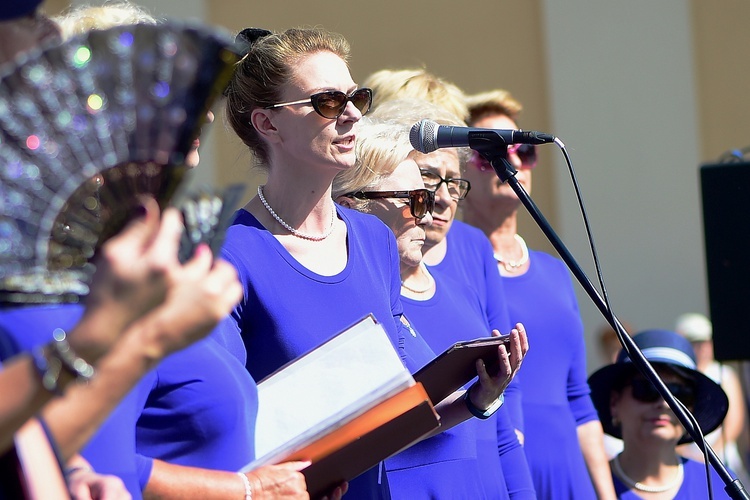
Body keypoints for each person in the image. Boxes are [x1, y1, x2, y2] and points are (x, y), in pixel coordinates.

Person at [218, 26, 526, 499]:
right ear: (267, 124)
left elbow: (383, 426)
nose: (352, 115)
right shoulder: (229, 257)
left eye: (355, 97)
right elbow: (222, 435)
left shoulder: (373, 240)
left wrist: (476, 401)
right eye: (326, 102)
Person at [333, 117, 534, 499]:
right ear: (351, 206)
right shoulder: (339, 298)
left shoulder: (442, 288)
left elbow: (498, 435)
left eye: (424, 199)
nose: (426, 213)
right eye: (412, 201)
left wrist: (480, 399)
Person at [462, 89, 616, 499]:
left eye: (524, 151)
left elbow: (578, 400)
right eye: (489, 152)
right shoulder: (454, 269)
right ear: (459, 169)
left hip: (570, 477)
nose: (512, 161)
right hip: (504, 472)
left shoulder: (553, 270)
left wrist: (605, 493)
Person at [588, 329, 730, 498]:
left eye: (678, 393)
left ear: (691, 407)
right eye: (647, 388)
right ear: (614, 403)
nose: (664, 404)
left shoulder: (721, 484)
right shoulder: (583, 486)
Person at [674, 313, 749, 484]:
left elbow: (734, 421)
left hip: (722, 460)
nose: (702, 348)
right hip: (685, 461)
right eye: (695, 342)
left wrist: (709, 454)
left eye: (706, 342)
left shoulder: (724, 374)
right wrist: (685, 453)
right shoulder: (678, 377)